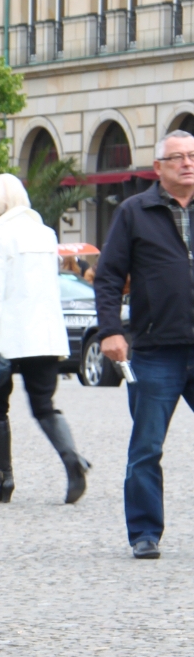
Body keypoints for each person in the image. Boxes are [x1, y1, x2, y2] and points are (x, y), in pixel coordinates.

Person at [94, 129, 194, 560]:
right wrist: (111, 330)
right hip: (155, 350)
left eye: (192, 156)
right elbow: (109, 276)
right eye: (177, 158)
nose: (187, 163)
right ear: (158, 168)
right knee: (147, 447)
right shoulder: (135, 212)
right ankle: (144, 532)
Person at [0, 173, 90, 506]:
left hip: (7, 337)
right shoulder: (46, 234)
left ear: (1, 202)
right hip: (44, 336)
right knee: (45, 406)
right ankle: (72, 460)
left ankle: (3, 482)